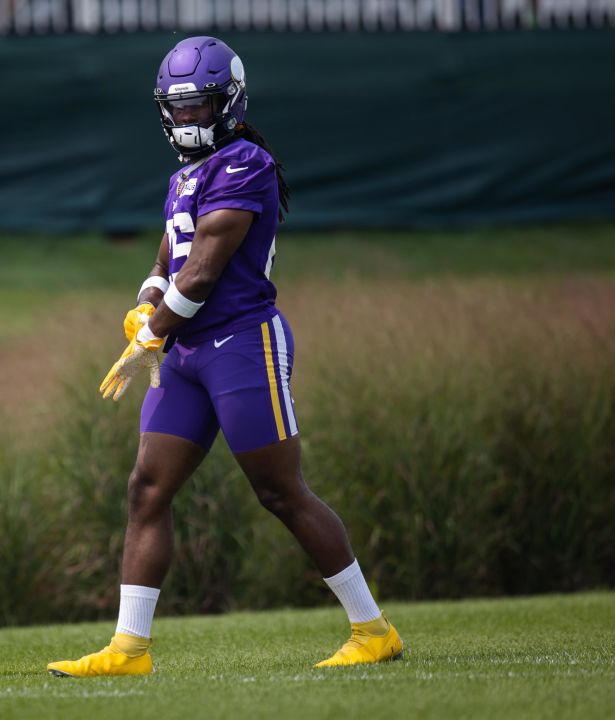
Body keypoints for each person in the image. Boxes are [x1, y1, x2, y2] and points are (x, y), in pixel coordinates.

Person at [46, 36, 403, 678]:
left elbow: (205, 272)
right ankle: (129, 650)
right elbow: (169, 261)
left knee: (280, 491)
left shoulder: (244, 163)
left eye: (197, 106)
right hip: (183, 354)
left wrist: (148, 334)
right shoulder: (183, 176)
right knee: (146, 488)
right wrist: (144, 304)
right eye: (176, 108)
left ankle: (373, 629)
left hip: (241, 343)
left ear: (229, 102)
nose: (185, 119)